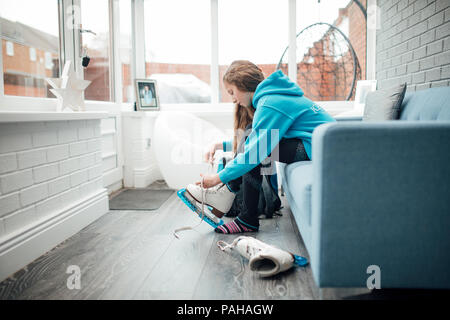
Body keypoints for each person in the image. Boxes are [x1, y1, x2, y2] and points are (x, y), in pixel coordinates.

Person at [186, 60, 336, 234]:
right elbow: (259, 138)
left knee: (255, 147)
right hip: (319, 145)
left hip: (322, 149)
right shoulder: (273, 97)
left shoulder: (269, 103)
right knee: (251, 136)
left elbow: (254, 151)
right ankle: (229, 197)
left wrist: (218, 178)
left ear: (242, 84)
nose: (233, 99)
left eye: (232, 92)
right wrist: (222, 145)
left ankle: (242, 213)